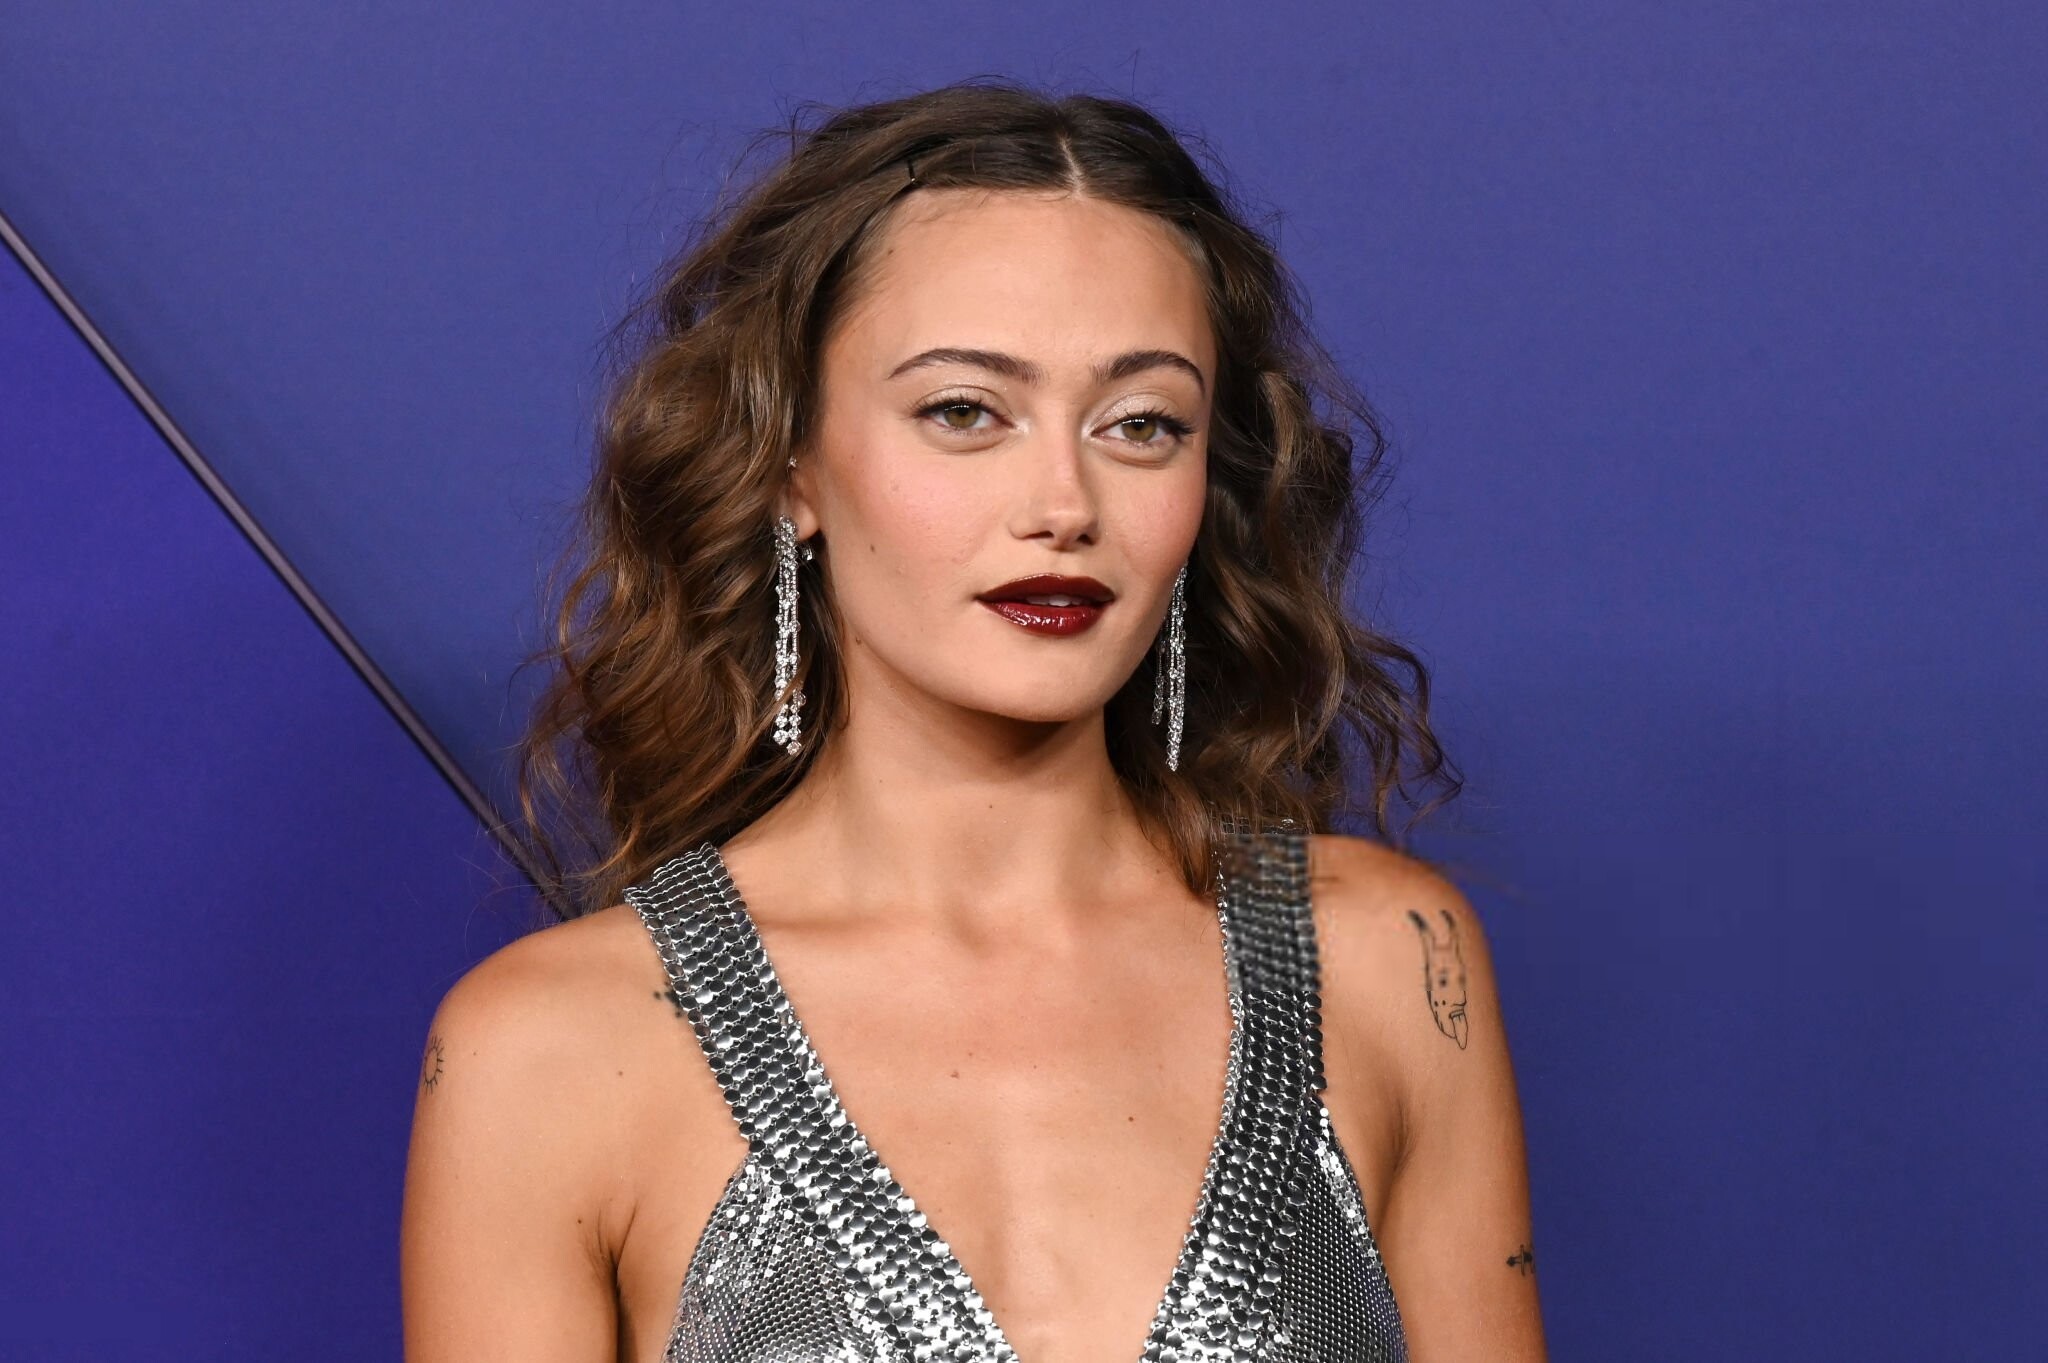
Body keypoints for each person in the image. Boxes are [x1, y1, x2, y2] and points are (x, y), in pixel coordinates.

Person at [400, 78, 1547, 1362]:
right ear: (788, 466)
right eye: (963, 411)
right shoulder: (550, 1049)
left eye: (1141, 424)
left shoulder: (1386, 965)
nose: (1064, 503)